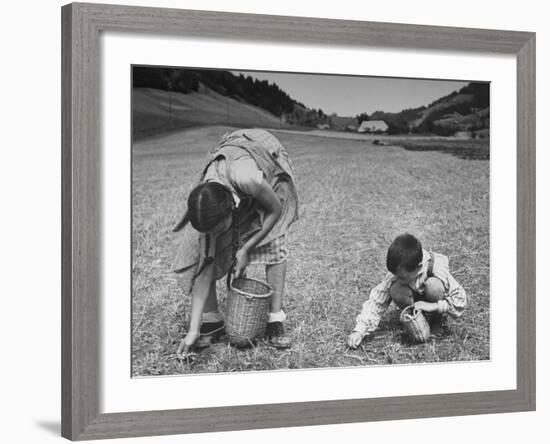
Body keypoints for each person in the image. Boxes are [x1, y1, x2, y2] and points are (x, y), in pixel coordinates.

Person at [172, 128, 299, 356]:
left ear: (230, 210)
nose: (214, 235)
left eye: (218, 229)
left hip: (265, 159)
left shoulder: (248, 177)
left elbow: (275, 210)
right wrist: (193, 331)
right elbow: (204, 271)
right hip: (233, 174)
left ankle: (274, 319)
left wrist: (246, 248)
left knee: (273, 244)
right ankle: (212, 320)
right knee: (200, 255)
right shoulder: (208, 194)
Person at [347, 233, 468, 348]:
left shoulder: (436, 268)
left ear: (419, 267)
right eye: (395, 275)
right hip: (413, 300)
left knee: (434, 286)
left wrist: (432, 306)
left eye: (402, 277)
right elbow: (377, 300)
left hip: (433, 301)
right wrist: (359, 330)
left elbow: (460, 300)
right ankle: (415, 318)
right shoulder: (399, 272)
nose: (397, 278)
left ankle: (436, 321)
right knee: (395, 289)